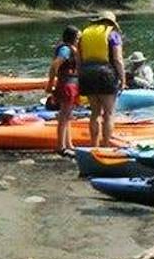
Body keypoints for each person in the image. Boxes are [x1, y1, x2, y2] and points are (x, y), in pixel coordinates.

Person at [76, 10, 124, 149]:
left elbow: (79, 60)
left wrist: (81, 76)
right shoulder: (113, 34)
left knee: (95, 112)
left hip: (87, 73)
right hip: (106, 74)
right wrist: (123, 79)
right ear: (111, 22)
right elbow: (118, 59)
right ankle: (107, 146)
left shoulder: (84, 35)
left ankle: (94, 145)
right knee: (108, 113)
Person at [45, 25, 80, 156]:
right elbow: (55, 65)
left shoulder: (70, 49)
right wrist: (50, 83)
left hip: (72, 83)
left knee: (68, 115)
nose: (79, 40)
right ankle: (61, 146)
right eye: (78, 37)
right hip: (66, 84)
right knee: (64, 115)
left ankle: (69, 144)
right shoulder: (65, 49)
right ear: (73, 38)